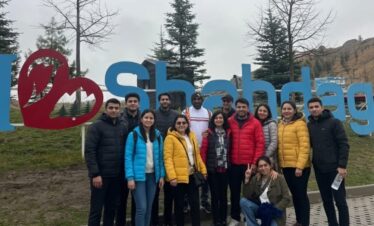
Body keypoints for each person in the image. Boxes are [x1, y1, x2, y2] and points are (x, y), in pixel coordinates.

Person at [307, 97, 350, 226]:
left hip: (335, 170)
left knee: (340, 201)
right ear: (308, 109)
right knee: (326, 201)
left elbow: (344, 144)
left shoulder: (334, 122)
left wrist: (342, 165)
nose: (314, 109)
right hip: (320, 170)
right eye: (311, 107)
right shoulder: (309, 125)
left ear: (322, 107)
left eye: (316, 106)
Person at [85, 98, 128, 226]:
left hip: (117, 175)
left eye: (116, 108)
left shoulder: (123, 125)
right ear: (106, 109)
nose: (114, 110)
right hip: (101, 176)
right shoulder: (96, 126)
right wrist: (95, 174)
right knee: (96, 210)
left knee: (111, 208)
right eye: (111, 108)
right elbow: (89, 151)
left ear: (120, 110)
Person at [163, 114, 207, 226]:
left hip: (192, 176)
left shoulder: (191, 136)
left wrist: (203, 170)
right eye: (178, 123)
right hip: (178, 178)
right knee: (179, 205)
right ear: (174, 124)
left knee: (195, 204)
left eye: (184, 123)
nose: (181, 125)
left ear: (187, 124)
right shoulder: (170, 138)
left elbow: (197, 155)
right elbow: (167, 159)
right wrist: (172, 176)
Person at [227, 97, 265, 226]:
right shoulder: (229, 121)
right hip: (233, 164)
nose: (241, 109)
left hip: (249, 165)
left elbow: (260, 144)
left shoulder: (255, 123)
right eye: (239, 107)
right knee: (234, 192)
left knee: (252, 193)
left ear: (248, 108)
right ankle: (235, 217)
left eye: (243, 107)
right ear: (235, 108)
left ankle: (254, 217)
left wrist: (255, 163)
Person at [125, 109, 165, 226]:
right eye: (146, 117)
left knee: (149, 208)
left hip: (153, 176)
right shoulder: (133, 135)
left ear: (154, 120)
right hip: (138, 177)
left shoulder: (157, 136)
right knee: (141, 208)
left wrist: (161, 175)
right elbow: (128, 157)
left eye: (151, 118)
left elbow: (160, 158)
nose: (148, 120)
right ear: (141, 119)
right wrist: (130, 177)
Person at [278, 100, 311, 226]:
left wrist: (300, 166)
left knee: (301, 195)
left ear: (294, 110)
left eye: (289, 109)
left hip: (299, 167)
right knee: (296, 195)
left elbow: (305, 146)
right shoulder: (280, 124)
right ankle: (299, 221)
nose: (286, 111)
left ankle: (304, 222)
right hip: (286, 167)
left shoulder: (300, 124)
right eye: (284, 109)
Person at [200, 111, 231, 226]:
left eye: (221, 118)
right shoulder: (208, 133)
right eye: (216, 118)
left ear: (224, 120)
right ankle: (216, 220)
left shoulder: (228, 133)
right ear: (213, 120)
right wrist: (203, 169)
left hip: (225, 169)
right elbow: (203, 152)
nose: (218, 120)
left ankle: (223, 218)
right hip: (212, 170)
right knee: (215, 196)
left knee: (223, 196)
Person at [152, 92, 179, 226]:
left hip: (172, 158)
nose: (164, 101)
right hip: (156, 157)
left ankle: (168, 221)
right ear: (159, 101)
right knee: (155, 194)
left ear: (170, 101)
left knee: (170, 194)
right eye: (162, 99)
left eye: (167, 99)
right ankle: (154, 221)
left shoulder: (175, 115)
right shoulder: (154, 115)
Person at [182, 92, 212, 213]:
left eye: (199, 99)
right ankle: (186, 203)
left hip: (204, 150)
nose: (197, 101)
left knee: (205, 176)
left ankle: (205, 202)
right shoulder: (186, 112)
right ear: (192, 100)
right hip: (190, 149)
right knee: (188, 176)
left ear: (202, 100)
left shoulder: (209, 113)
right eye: (194, 99)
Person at [240, 156, 291, 226]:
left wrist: (273, 210)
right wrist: (247, 179)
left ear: (270, 166)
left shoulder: (279, 178)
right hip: (261, 210)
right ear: (258, 168)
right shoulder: (256, 178)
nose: (263, 168)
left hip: (275, 213)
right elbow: (247, 195)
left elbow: (287, 198)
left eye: (265, 165)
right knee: (243, 201)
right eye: (260, 166)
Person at [117, 92, 141, 226]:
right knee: (121, 199)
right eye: (130, 101)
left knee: (137, 199)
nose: (133, 103)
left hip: (138, 161)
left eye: (135, 101)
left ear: (138, 103)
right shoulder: (119, 118)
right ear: (126, 103)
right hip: (122, 162)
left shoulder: (143, 118)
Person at [254, 104, 278, 171]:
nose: (262, 112)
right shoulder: (254, 123)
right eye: (260, 110)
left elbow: (274, 142)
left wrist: (265, 157)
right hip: (256, 157)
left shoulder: (271, 124)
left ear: (268, 113)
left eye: (265, 111)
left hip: (268, 158)